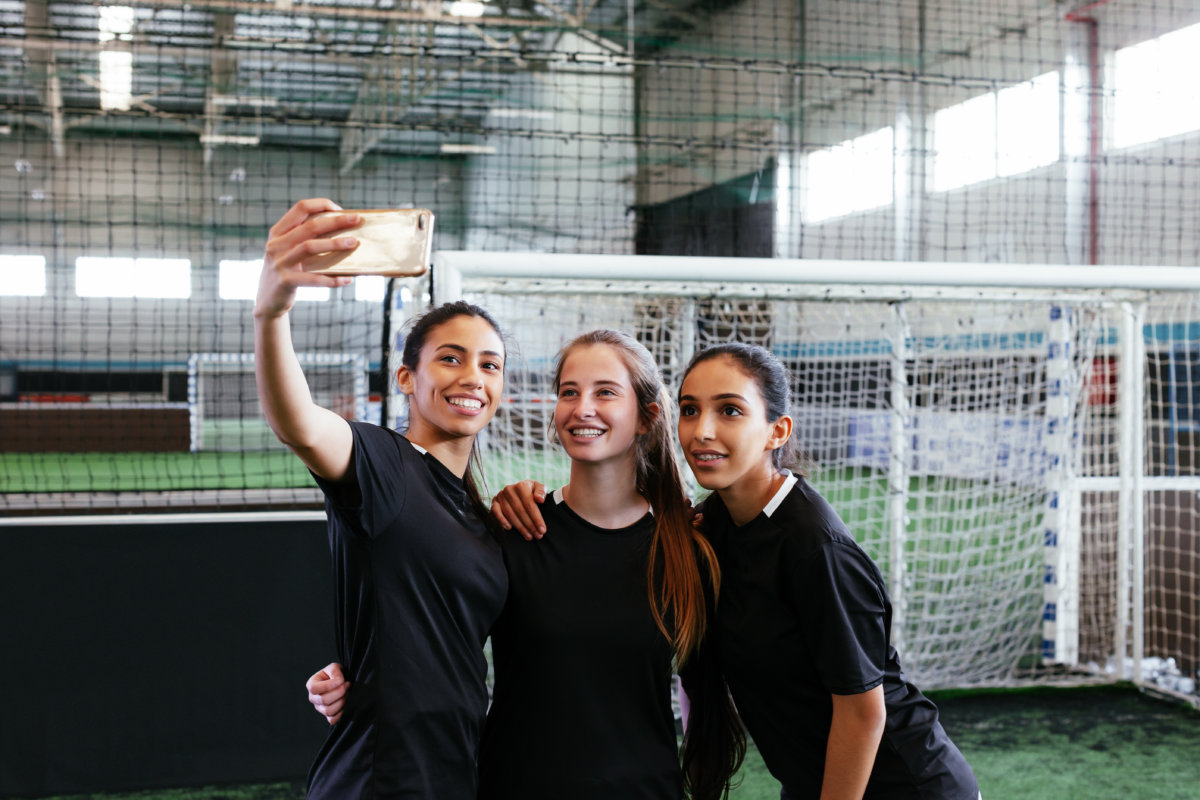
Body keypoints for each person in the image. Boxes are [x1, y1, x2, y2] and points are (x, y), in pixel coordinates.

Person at [494, 341, 980, 800]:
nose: (703, 430)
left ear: (778, 431)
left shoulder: (814, 545)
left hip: (907, 785)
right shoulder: (712, 527)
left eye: (730, 410)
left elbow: (862, 712)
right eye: (690, 410)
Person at [307, 329, 743, 799]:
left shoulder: (685, 548)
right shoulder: (513, 533)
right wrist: (349, 678)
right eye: (569, 392)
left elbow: (712, 694)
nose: (582, 408)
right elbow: (430, 636)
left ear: (646, 417)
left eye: (605, 393)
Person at [257, 198, 509, 799]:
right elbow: (299, 423)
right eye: (450, 359)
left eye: (489, 365)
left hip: (459, 769)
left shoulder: (479, 512)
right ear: (406, 379)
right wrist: (271, 313)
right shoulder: (382, 464)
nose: (472, 376)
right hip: (381, 778)